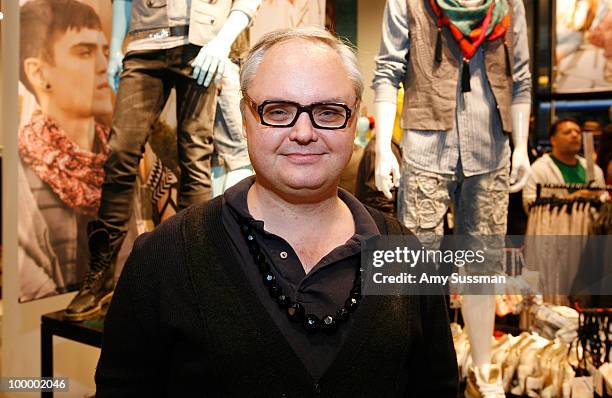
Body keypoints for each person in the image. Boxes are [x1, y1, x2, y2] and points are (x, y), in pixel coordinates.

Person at [95, 27, 459, 397]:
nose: (303, 133)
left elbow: (437, 387)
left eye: (328, 112)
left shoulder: (404, 254)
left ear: (354, 121)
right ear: (246, 118)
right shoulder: (164, 257)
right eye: (278, 110)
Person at [372, 1, 532, 396]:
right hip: (427, 143)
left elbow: (522, 77)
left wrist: (523, 147)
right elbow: (387, 70)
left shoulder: (508, 5)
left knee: (483, 262)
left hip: (492, 146)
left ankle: (482, 367)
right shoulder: (408, 3)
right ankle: (418, 364)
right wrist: (380, 149)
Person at [64, 0, 262, 320]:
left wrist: (223, 40)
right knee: (120, 153)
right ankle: (101, 276)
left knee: (195, 157)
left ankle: (191, 276)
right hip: (145, 42)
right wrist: (117, 46)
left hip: (202, 42)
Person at [18, 0, 138, 300]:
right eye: (85, 52)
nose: (103, 66)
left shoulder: (121, 163)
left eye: (106, 52)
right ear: (38, 73)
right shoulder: (19, 180)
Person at [522, 117, 607, 210]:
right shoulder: (538, 169)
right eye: (567, 132)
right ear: (553, 140)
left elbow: (603, 198)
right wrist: (569, 200)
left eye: (578, 132)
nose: (575, 135)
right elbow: (529, 204)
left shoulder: (594, 169)